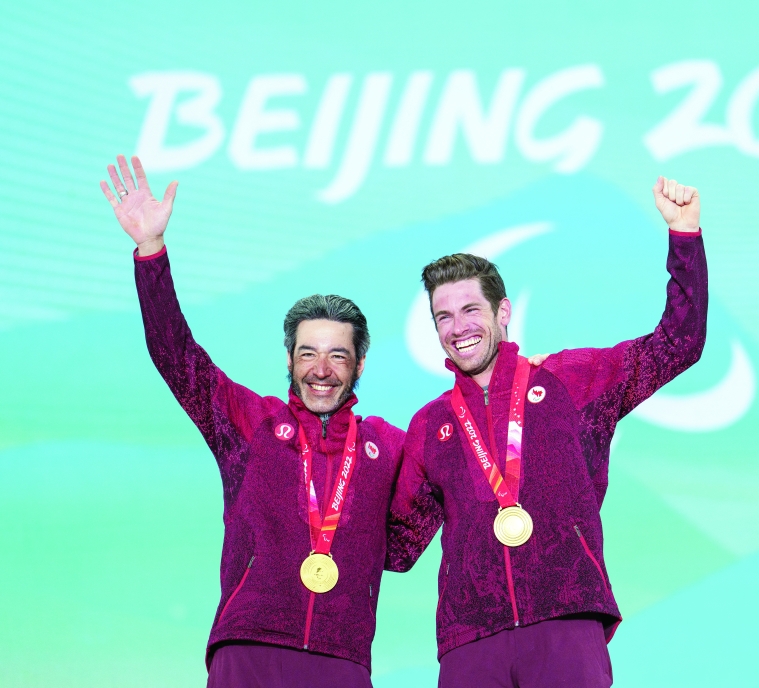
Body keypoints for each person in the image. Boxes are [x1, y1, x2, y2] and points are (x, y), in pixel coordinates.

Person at [386, 176, 709, 687]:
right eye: (443, 316)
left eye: (470, 310)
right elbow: (397, 547)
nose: (458, 327)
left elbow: (677, 345)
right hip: (471, 639)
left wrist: (684, 237)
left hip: (565, 617)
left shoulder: (570, 381)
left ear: (503, 312)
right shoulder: (431, 424)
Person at [100, 155, 404, 688]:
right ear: (289, 360)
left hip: (342, 657)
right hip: (248, 649)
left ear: (359, 364)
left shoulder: (389, 445)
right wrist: (151, 250)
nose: (321, 370)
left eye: (337, 355)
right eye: (308, 353)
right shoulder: (250, 423)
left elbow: (408, 539)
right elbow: (177, 357)